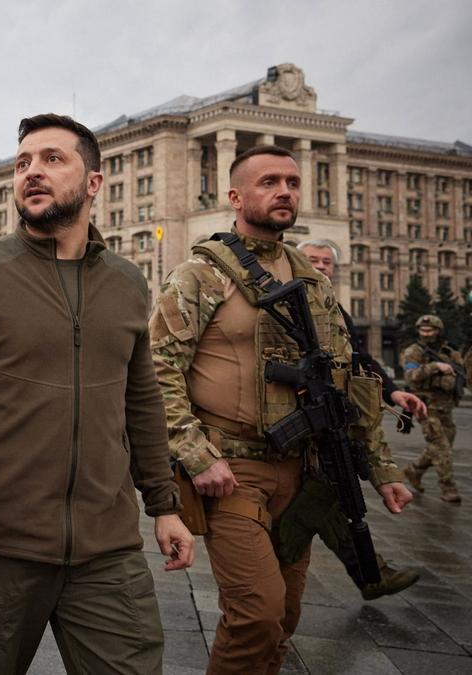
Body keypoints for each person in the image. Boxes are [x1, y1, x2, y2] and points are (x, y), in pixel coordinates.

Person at [0, 113, 193, 674]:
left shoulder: (128, 282)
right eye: (22, 164)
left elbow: (142, 401)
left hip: (107, 547)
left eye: (51, 159)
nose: (31, 172)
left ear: (93, 183)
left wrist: (164, 505)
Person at [150, 145, 410, 673]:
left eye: (292, 182)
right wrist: (197, 456)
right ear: (235, 196)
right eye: (269, 181)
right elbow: (157, 372)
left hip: (303, 471)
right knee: (257, 615)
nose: (285, 191)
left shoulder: (312, 281)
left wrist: (381, 468)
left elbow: (347, 379)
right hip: (232, 472)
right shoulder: (200, 275)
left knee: (286, 616)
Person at [296, 240, 422, 600]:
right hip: (292, 421)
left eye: (327, 262)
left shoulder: (335, 309)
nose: (321, 267)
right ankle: (371, 574)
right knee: (326, 501)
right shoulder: (281, 300)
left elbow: (359, 358)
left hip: (324, 422)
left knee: (333, 498)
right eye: (312, 260)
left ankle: (371, 574)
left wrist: (392, 392)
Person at [401, 314, 464, 503]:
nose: (426, 333)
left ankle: (415, 470)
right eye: (423, 330)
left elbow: (460, 372)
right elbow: (410, 376)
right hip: (425, 407)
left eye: (430, 330)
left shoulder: (449, 351)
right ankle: (448, 488)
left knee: (440, 447)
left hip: (446, 407)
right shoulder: (414, 351)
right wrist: (435, 366)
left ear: (438, 331)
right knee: (442, 448)